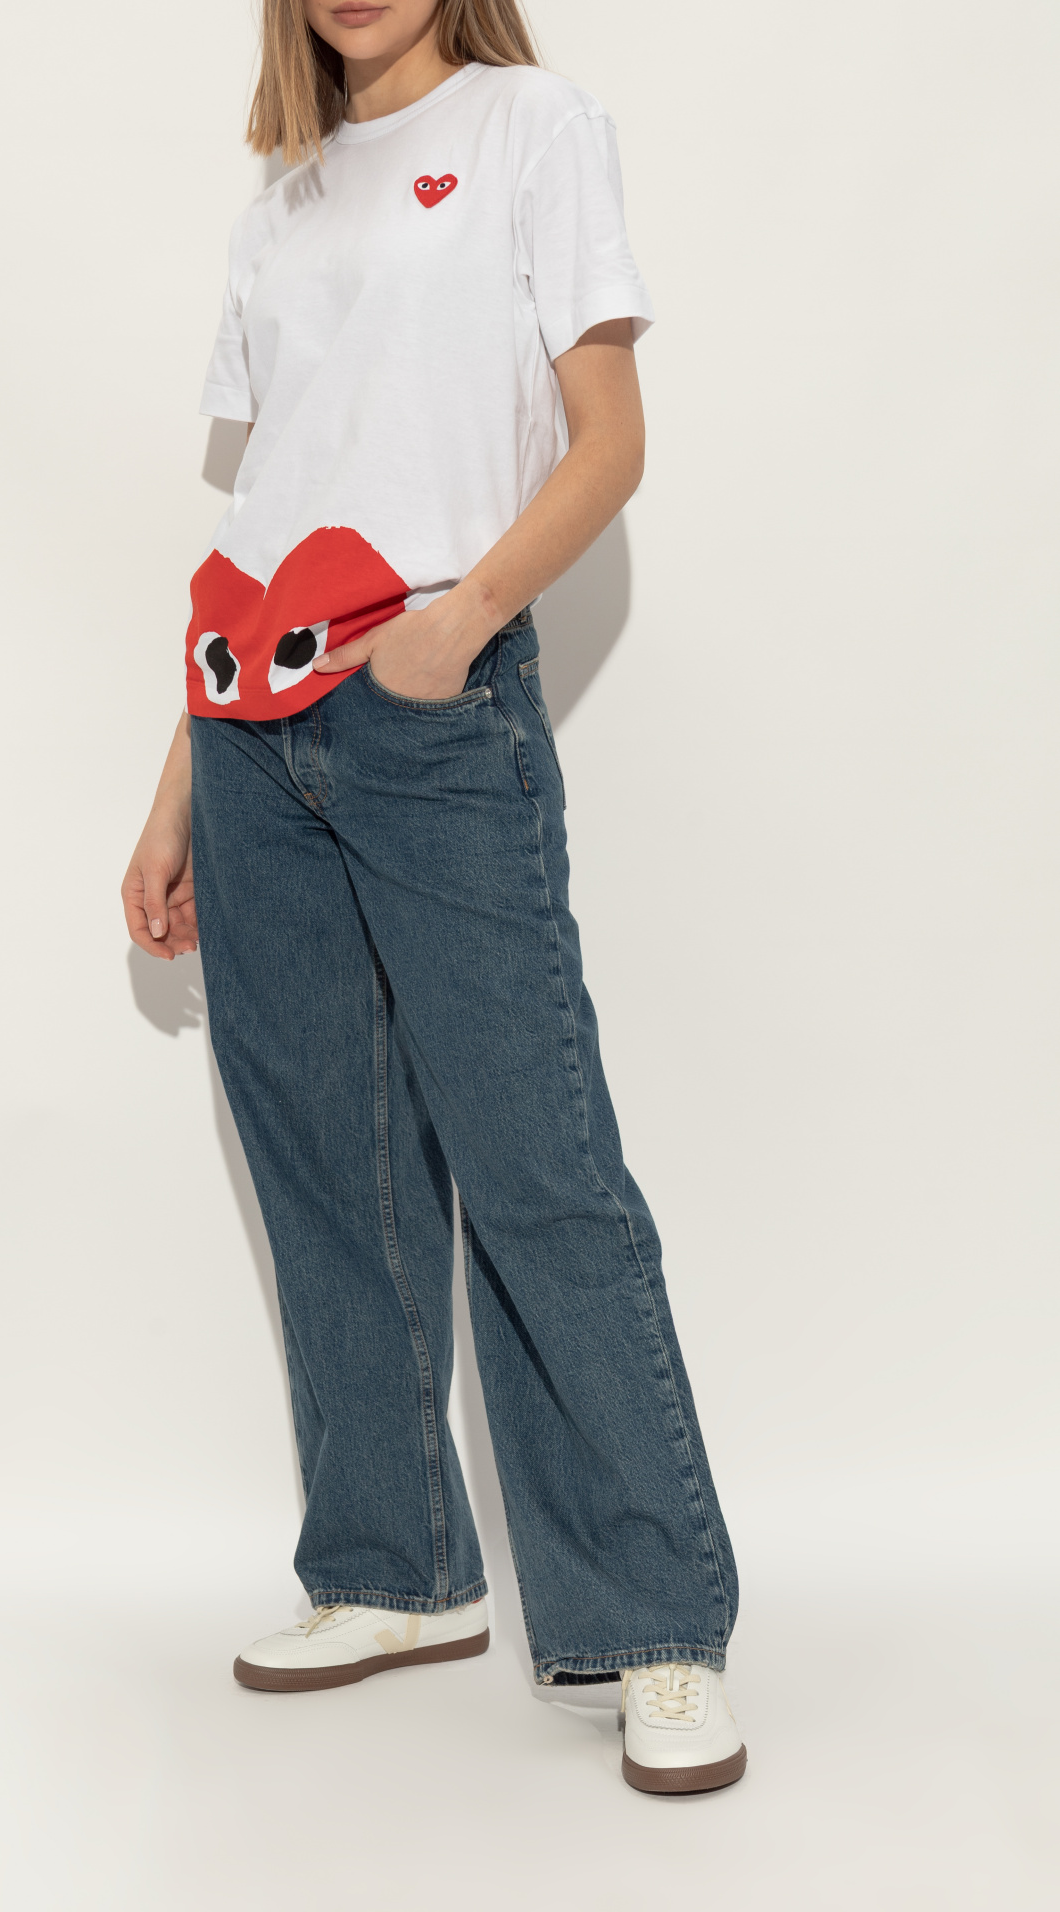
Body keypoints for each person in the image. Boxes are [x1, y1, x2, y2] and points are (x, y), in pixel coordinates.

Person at [123, 0, 745, 1794]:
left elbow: (606, 442)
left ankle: (652, 1622)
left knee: (536, 1163)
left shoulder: (534, 127)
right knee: (325, 1165)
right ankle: (393, 1574)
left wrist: (460, 624)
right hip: (248, 732)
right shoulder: (282, 203)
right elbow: (268, 516)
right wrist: (175, 791)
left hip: (428, 708)